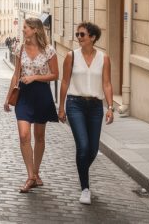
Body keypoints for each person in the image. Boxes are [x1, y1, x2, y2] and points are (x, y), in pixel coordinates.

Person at [58, 22, 114, 205]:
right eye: (78, 34)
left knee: (93, 149)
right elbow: (65, 82)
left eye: (82, 34)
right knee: (83, 146)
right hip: (75, 105)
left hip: (96, 106)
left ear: (93, 37)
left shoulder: (104, 58)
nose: (79, 37)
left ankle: (82, 169)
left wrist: (111, 107)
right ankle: (85, 188)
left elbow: (106, 84)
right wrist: (61, 106)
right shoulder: (71, 56)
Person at [4, 18, 59, 193]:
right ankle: (30, 176)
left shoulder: (49, 50)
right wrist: (7, 98)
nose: (23, 30)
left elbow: (55, 75)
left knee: (39, 136)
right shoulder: (21, 49)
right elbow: (16, 74)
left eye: (26, 28)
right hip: (24, 95)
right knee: (24, 135)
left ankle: (36, 172)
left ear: (35, 30)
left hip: (42, 94)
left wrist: (35, 77)